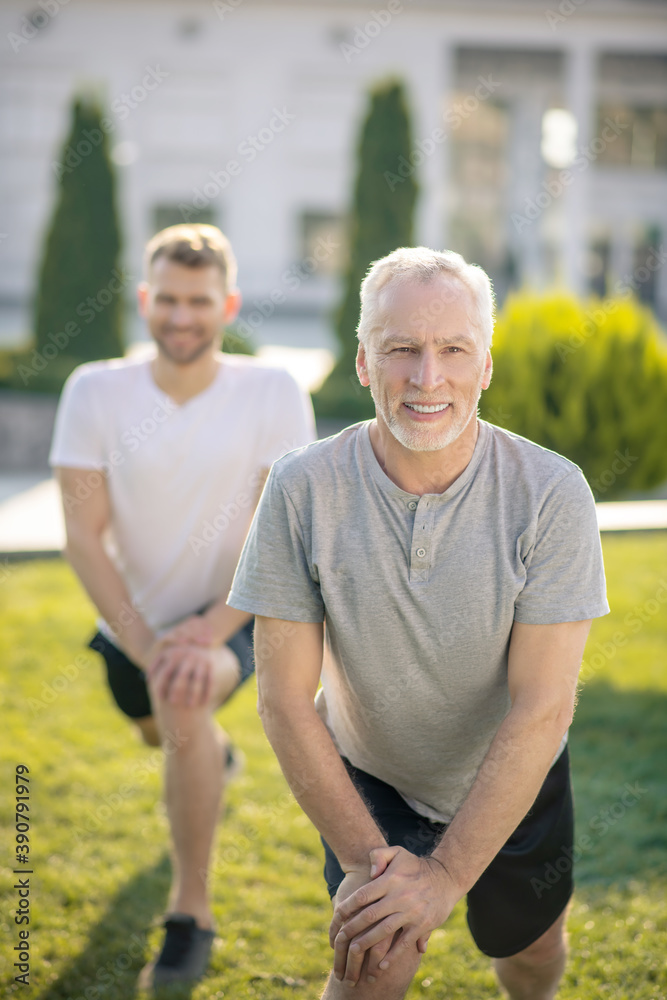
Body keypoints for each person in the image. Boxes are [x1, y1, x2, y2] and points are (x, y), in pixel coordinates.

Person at [227, 246, 609, 999]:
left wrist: (444, 877)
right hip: (371, 774)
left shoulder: (551, 494)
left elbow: (543, 708)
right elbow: (282, 700)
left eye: (451, 350)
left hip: (511, 774)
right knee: (373, 958)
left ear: (486, 365)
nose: (426, 378)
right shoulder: (301, 489)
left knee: (529, 957)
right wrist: (379, 869)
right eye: (400, 350)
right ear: (364, 362)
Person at [49, 223, 315, 986]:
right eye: (166, 298)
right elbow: (82, 537)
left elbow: (276, 530)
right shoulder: (94, 392)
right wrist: (142, 642)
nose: (181, 316)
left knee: (182, 702)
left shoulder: (271, 391)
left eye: (199, 300)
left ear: (227, 304)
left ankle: (189, 912)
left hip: (235, 611)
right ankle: (211, 759)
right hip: (130, 624)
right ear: (144, 299)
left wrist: (210, 632)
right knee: (157, 727)